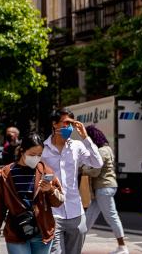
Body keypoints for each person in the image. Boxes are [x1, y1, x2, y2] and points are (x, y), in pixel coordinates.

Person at [0, 132, 64, 253]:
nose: (36, 158)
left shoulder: (45, 171)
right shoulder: (8, 173)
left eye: (39, 155)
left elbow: (59, 202)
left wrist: (50, 190)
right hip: (16, 233)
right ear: (22, 151)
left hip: (42, 233)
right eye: (32, 154)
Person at [41, 109, 102, 254]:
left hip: (75, 212)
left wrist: (85, 137)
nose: (69, 127)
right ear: (54, 124)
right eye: (66, 123)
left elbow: (97, 163)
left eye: (72, 124)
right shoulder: (43, 149)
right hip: (52, 212)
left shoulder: (77, 146)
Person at [81, 125, 128, 254]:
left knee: (111, 216)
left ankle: (122, 247)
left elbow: (96, 172)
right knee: (88, 218)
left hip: (103, 187)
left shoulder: (101, 151)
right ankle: (77, 246)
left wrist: (83, 169)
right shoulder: (108, 149)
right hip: (105, 187)